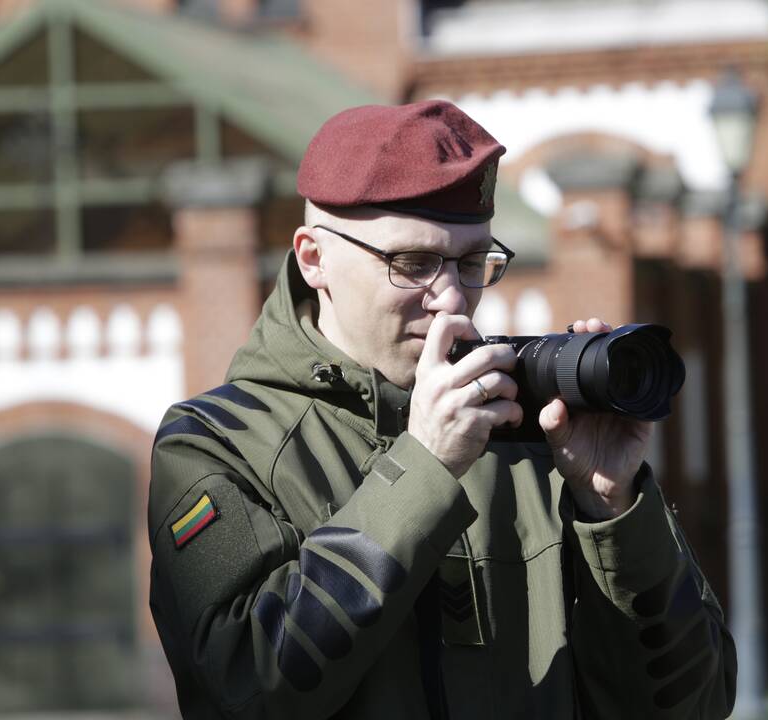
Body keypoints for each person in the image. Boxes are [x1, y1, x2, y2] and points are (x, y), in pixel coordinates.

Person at [148, 100, 737, 719]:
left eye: (471, 262)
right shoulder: (217, 444)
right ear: (313, 258)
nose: (452, 298)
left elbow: (693, 704)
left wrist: (613, 507)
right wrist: (425, 467)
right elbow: (247, 687)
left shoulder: (532, 433)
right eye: (414, 263)